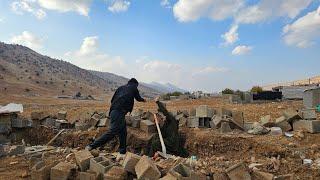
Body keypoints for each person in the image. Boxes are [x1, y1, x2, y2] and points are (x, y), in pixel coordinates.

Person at [86, 78, 146, 154]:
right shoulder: (133, 87)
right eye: (136, 86)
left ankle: (122, 152)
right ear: (135, 84)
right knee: (112, 132)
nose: (136, 87)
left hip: (114, 112)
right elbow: (138, 98)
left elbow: (112, 100)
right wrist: (144, 100)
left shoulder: (120, 88)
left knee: (123, 132)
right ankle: (91, 146)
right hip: (119, 113)